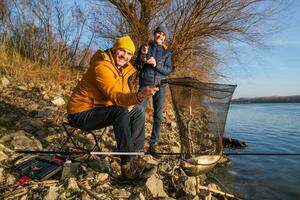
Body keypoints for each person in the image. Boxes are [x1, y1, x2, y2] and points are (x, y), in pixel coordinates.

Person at [67, 36, 159, 179]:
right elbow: (116, 96)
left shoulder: (120, 69)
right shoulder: (101, 67)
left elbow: (124, 94)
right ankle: (128, 167)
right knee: (120, 111)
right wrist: (140, 95)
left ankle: (136, 157)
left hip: (100, 109)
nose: (125, 56)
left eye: (129, 54)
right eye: (122, 51)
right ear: (115, 49)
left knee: (138, 111)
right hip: (80, 114)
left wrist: (133, 102)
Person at [134, 26, 173, 154]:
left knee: (158, 115)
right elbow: (138, 66)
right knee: (139, 111)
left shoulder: (167, 53)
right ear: (154, 34)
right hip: (145, 83)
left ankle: (153, 143)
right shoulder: (145, 47)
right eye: (158, 33)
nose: (160, 36)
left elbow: (168, 70)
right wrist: (143, 55)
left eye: (163, 35)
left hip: (160, 85)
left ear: (165, 38)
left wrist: (156, 64)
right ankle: (136, 143)